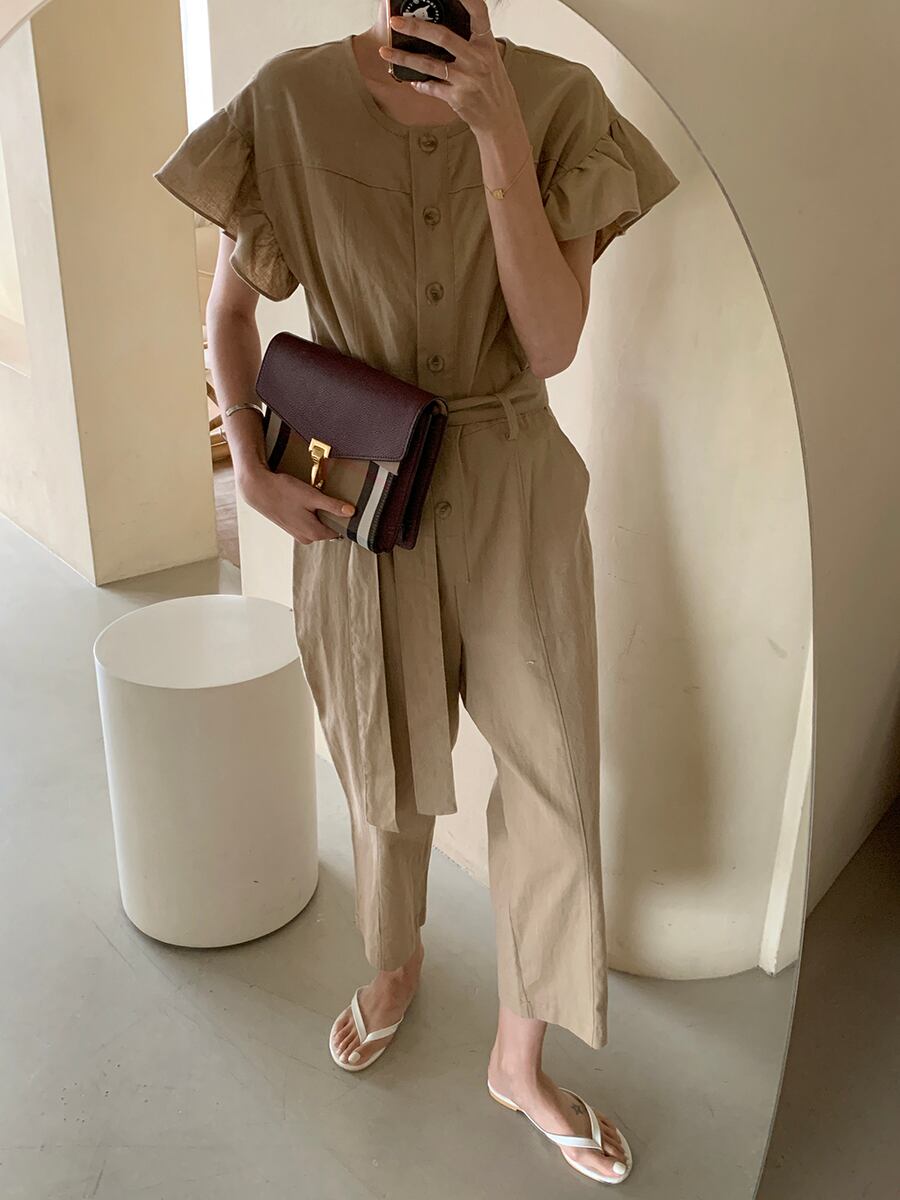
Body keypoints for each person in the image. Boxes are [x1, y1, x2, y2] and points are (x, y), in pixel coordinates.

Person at [153, 0, 679, 1184]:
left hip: (513, 490)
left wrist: (496, 131)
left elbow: (550, 344)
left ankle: (518, 1061)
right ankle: (395, 965)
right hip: (359, 485)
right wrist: (250, 470)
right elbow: (231, 313)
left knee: (552, 782)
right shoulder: (289, 102)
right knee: (379, 763)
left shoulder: (559, 104)